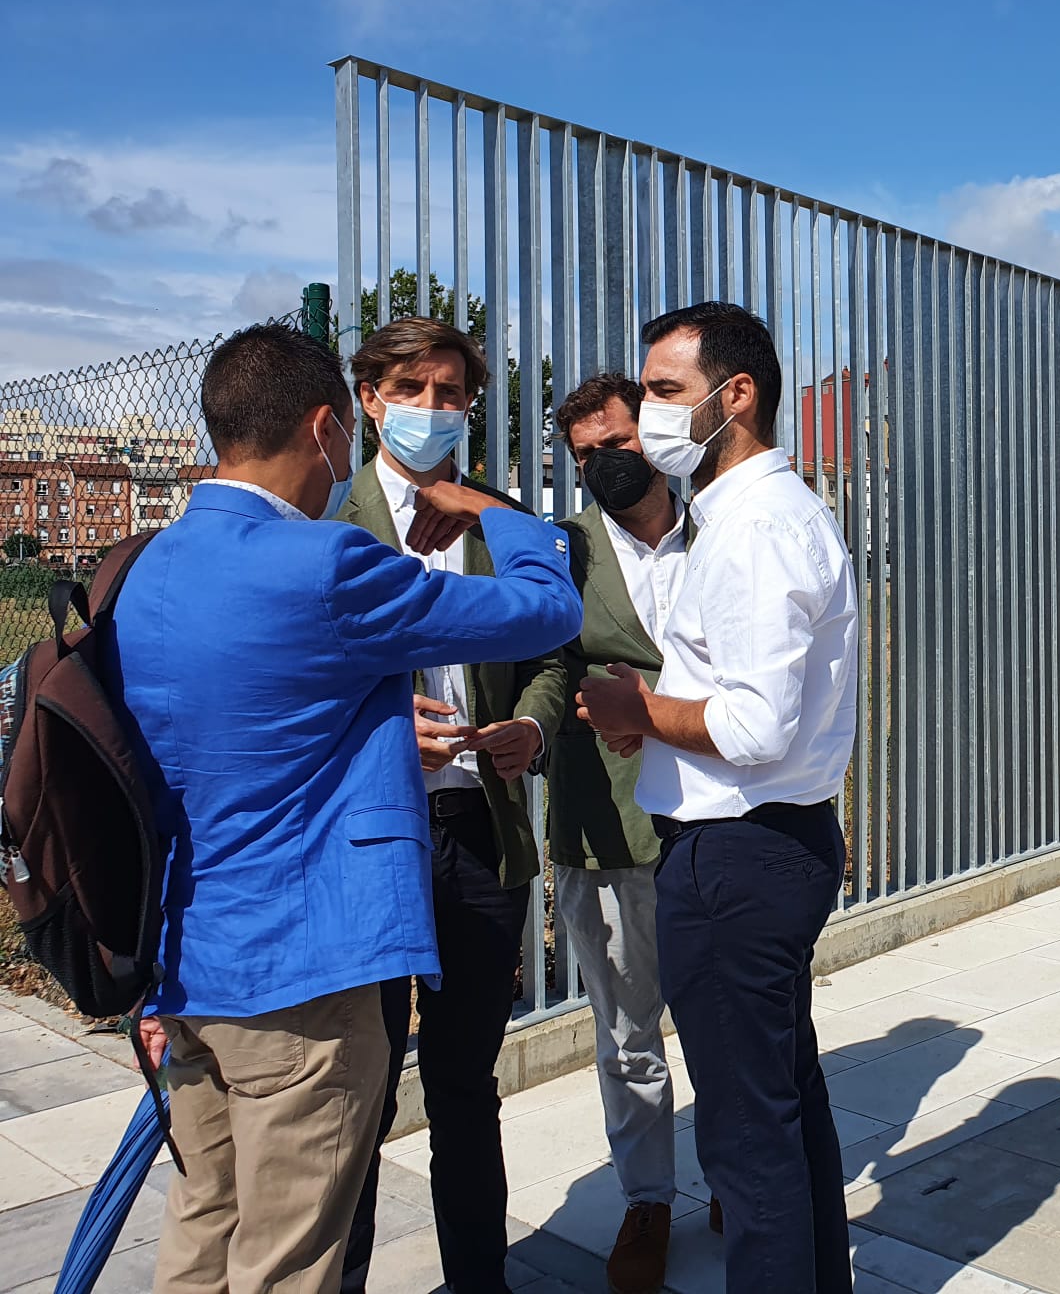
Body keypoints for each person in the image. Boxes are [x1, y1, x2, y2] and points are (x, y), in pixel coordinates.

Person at [111, 323, 580, 1294]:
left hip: (193, 964)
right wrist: (501, 512)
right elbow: (547, 612)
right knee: (291, 1260)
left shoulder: (144, 569)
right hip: (304, 974)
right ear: (333, 426)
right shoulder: (323, 561)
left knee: (203, 1236)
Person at [577, 302, 858, 1294]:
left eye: (663, 391)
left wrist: (637, 707)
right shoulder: (746, 515)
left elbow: (754, 727)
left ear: (734, 396)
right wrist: (652, 716)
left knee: (748, 1144)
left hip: (738, 858)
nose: (647, 414)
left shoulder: (754, 526)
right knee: (784, 1109)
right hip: (765, 846)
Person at [336, 317, 556, 1294]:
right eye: (412, 390)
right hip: (372, 841)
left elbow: (553, 654)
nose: (432, 410)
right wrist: (389, 731)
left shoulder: (496, 516)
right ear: (369, 399)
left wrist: (533, 730)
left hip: (481, 829)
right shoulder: (329, 528)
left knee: (467, 1083)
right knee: (357, 1093)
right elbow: (302, 683)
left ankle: (481, 1282)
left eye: (451, 393)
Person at [515, 372, 687, 1293]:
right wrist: (538, 729)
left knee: (738, 1017)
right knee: (628, 1032)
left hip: (715, 816)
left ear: (651, 435)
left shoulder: (721, 531)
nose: (602, 465)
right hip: (606, 817)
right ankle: (648, 1199)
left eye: (616, 444)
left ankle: (744, 1172)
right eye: (584, 456)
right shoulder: (566, 551)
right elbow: (548, 663)